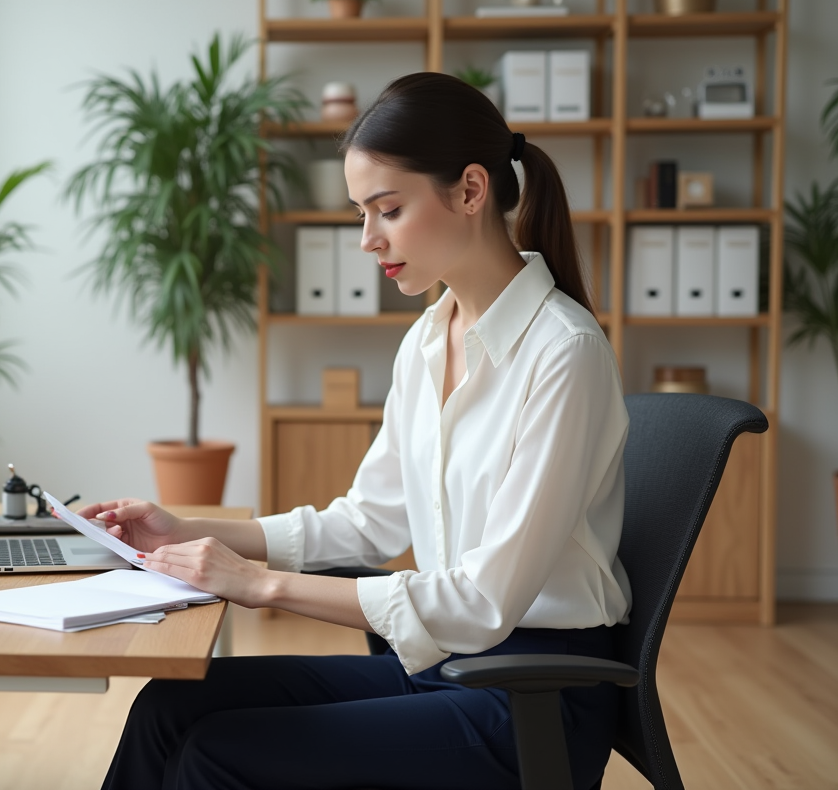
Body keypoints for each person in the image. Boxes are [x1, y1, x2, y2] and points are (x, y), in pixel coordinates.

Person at [87, 71, 632, 790]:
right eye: (360, 214)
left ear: (470, 191)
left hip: (528, 700)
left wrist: (258, 584)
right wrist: (184, 528)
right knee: (169, 709)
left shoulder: (564, 353)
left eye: (388, 209)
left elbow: (482, 602)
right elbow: (367, 523)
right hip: (443, 666)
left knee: (216, 755)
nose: (368, 240)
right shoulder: (429, 341)